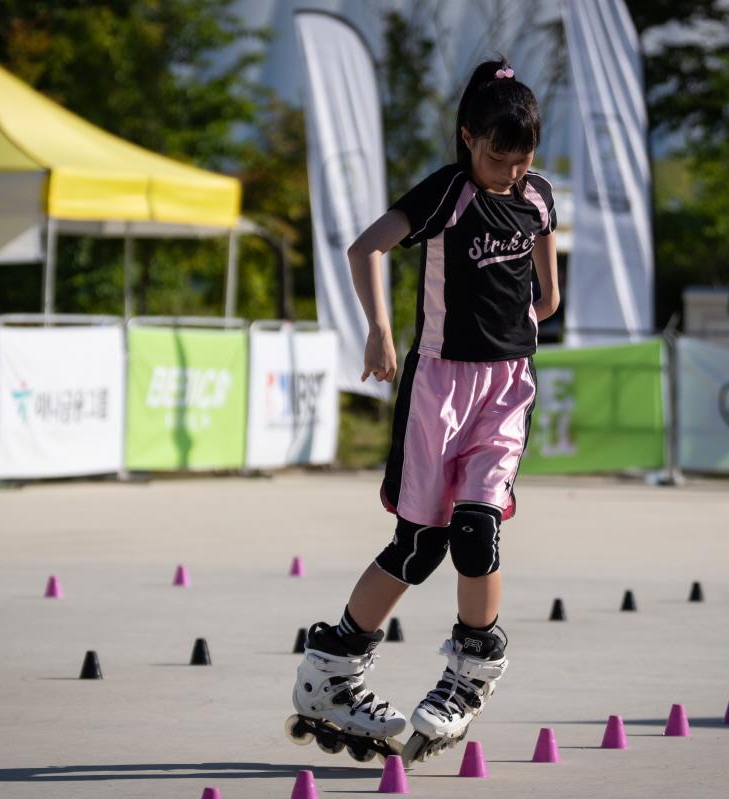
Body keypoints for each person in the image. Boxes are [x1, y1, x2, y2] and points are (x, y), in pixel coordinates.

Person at [287, 58, 559, 764]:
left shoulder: (536, 196)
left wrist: (521, 318)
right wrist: (378, 328)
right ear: (468, 137)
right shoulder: (449, 192)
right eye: (496, 157)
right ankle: (331, 673)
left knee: (477, 528)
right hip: (439, 384)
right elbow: (366, 247)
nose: (508, 172)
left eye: (522, 159)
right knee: (419, 543)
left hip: (507, 387)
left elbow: (548, 291)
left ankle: (472, 671)